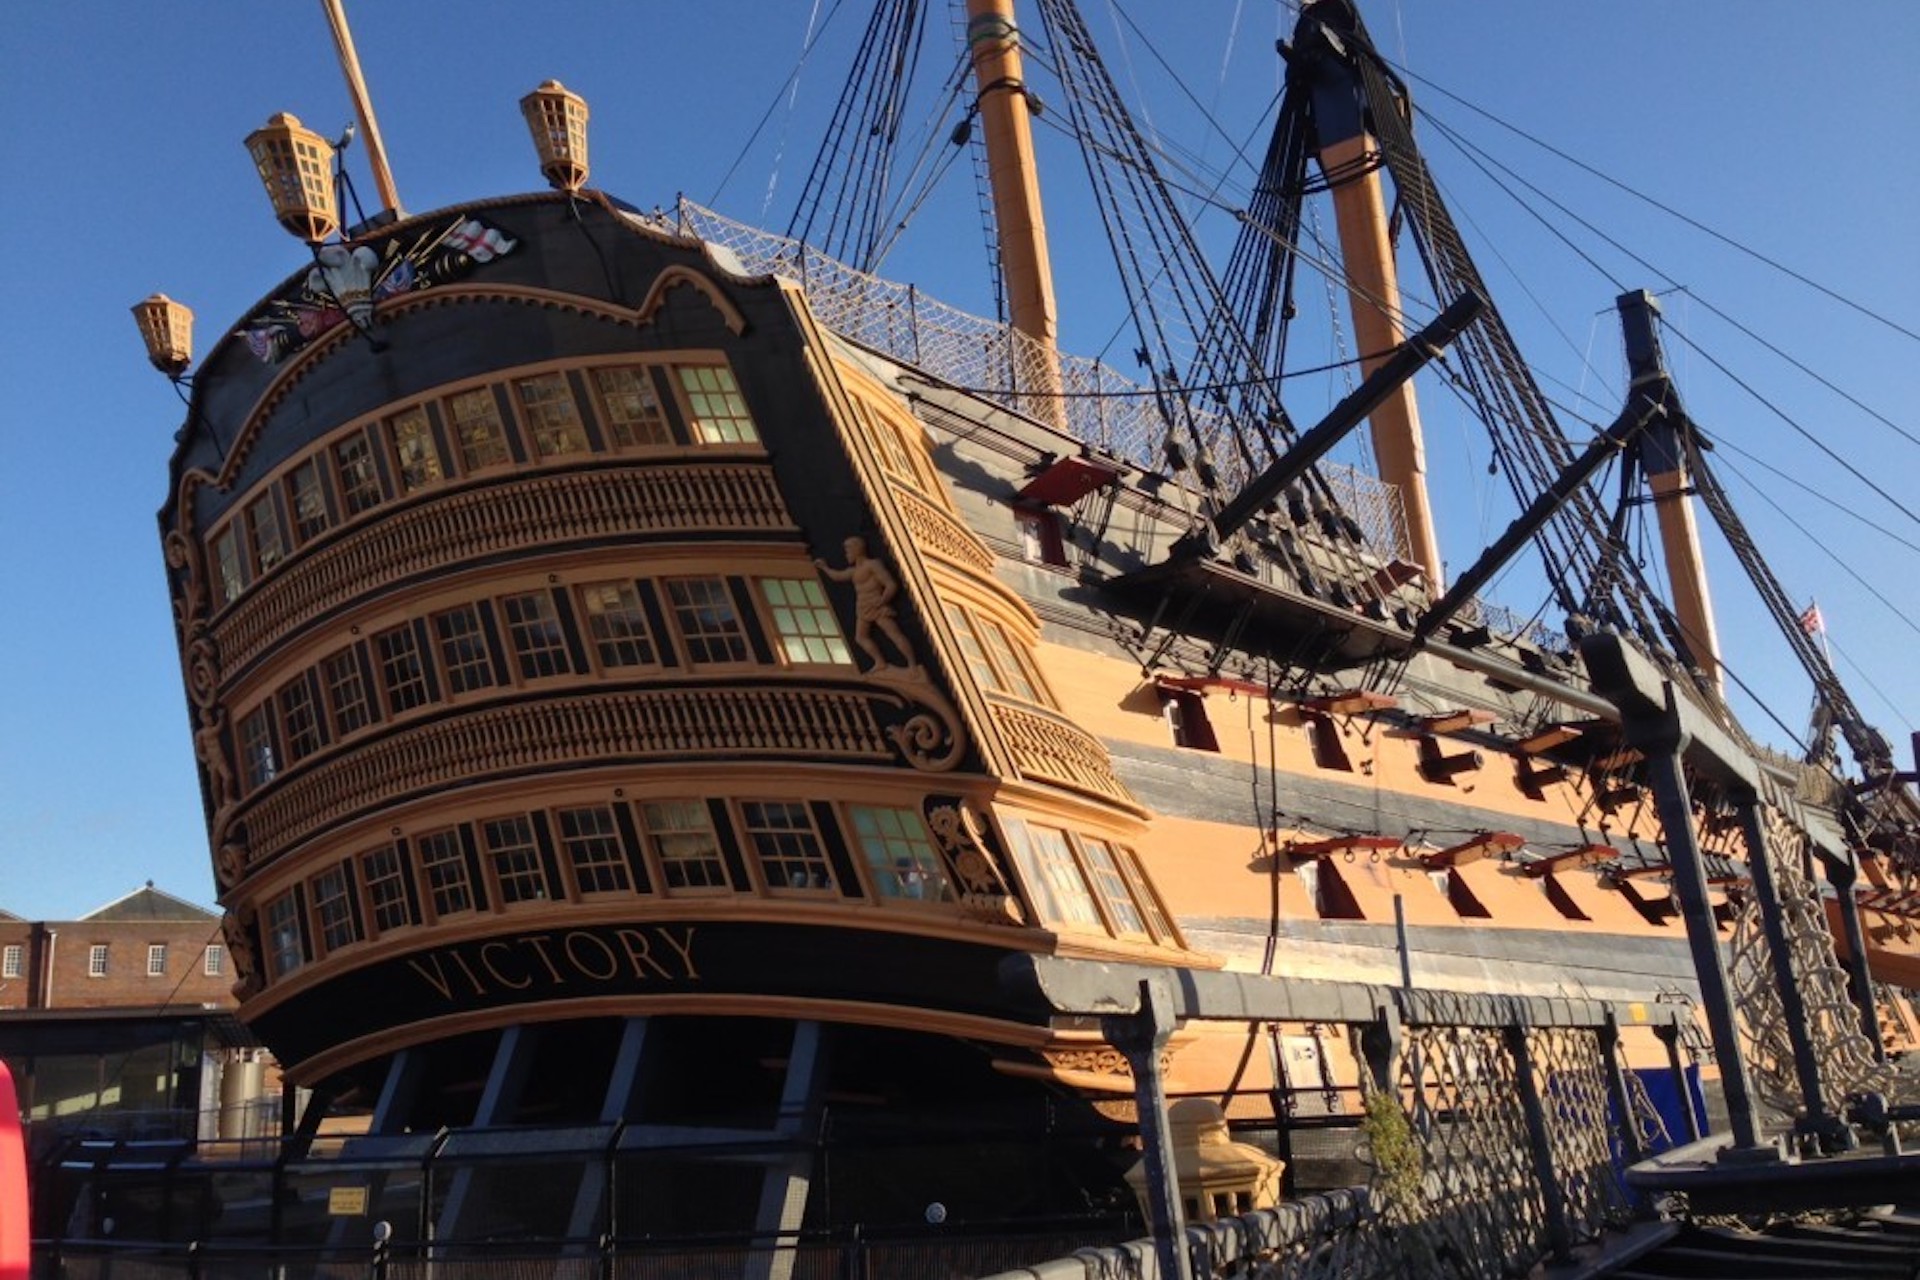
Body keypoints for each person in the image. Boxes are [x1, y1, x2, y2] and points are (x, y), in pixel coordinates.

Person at [816, 535, 918, 672]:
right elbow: (837, 576)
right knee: (861, 637)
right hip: (863, 607)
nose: (846, 554)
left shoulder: (872, 565)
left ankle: (912, 665)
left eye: (848, 550)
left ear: (857, 550)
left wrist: (882, 601)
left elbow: (890, 584)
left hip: (876, 604)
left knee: (894, 633)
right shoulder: (853, 571)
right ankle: (880, 662)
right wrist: (824, 568)